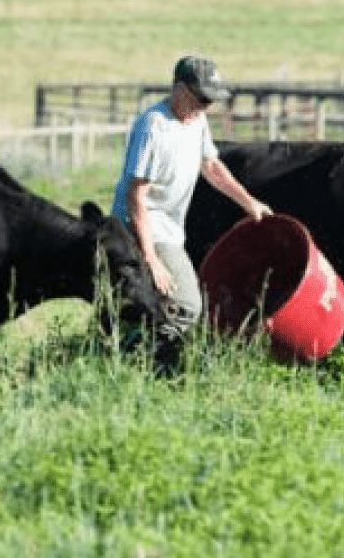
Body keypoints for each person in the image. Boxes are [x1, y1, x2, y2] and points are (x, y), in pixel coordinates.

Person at [112, 55, 271, 372]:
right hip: (142, 225)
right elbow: (136, 198)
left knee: (165, 307)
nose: (206, 106)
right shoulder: (153, 127)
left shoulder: (196, 121)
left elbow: (211, 166)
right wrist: (152, 259)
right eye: (201, 98)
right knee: (187, 305)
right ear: (180, 89)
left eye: (211, 100)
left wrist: (249, 202)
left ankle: (142, 361)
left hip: (169, 228)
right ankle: (133, 360)